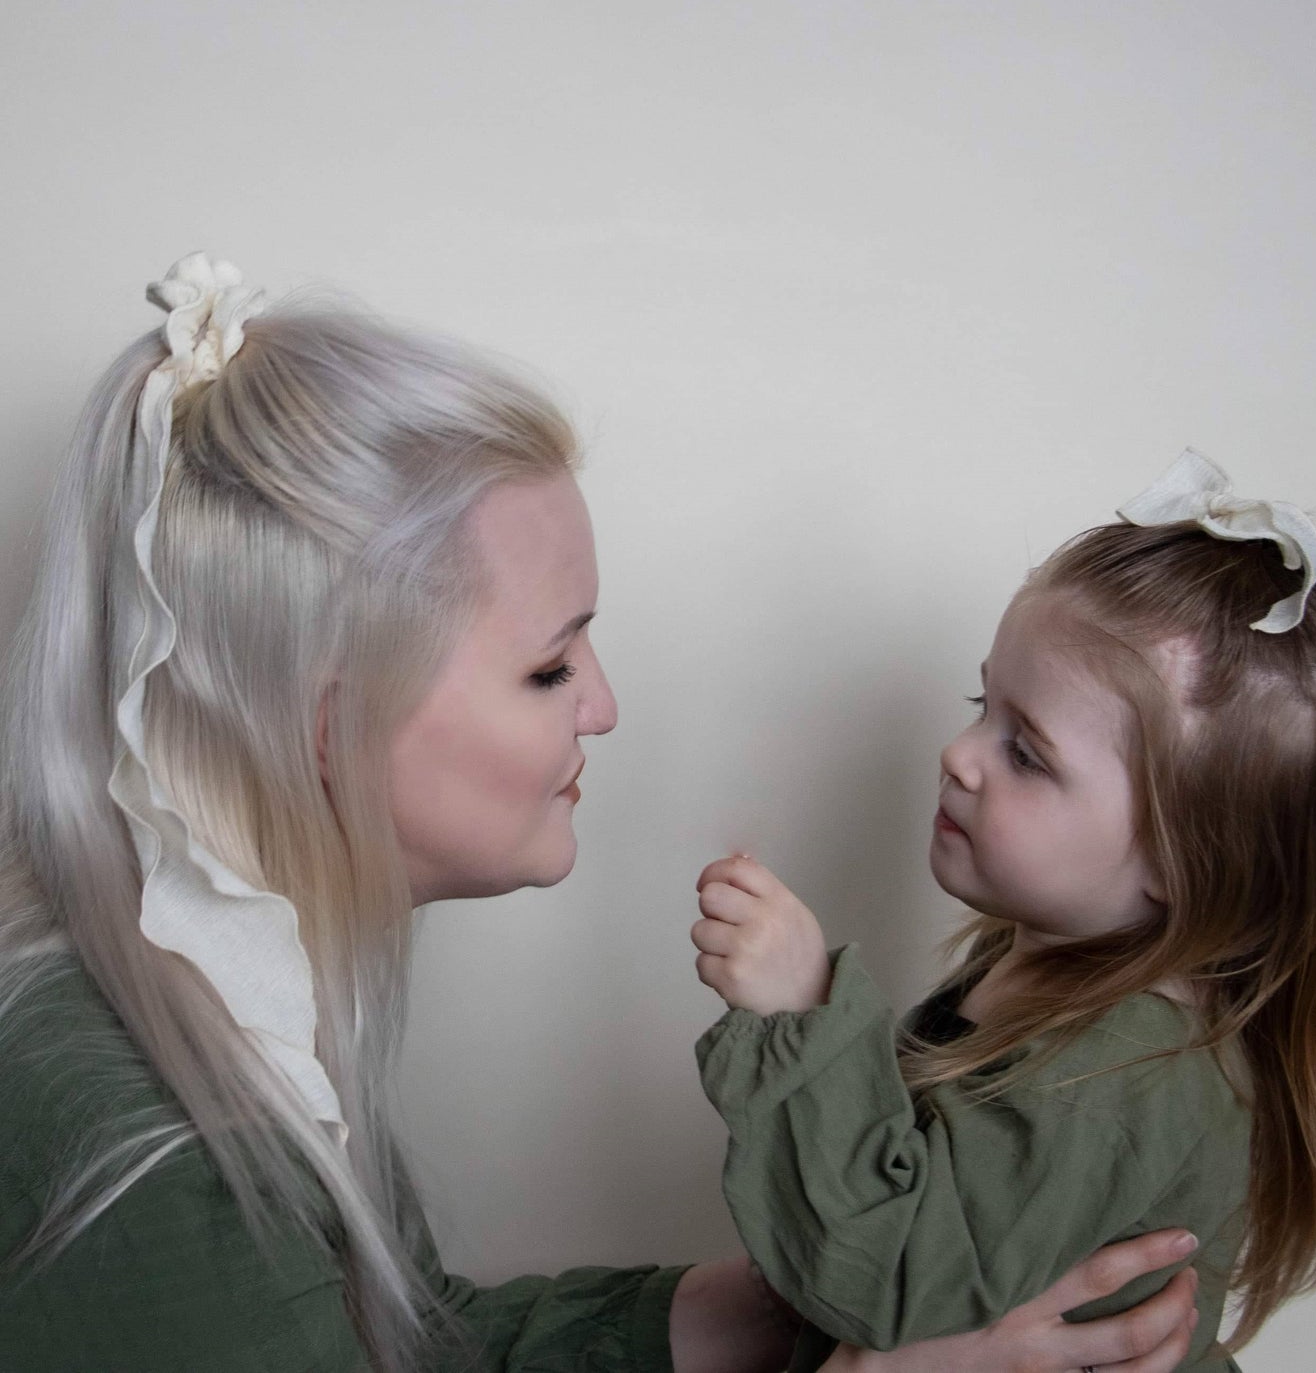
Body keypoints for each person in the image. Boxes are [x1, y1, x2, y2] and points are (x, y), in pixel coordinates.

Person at [0, 254, 1199, 1372]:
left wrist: (796, 1302)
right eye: (547, 667)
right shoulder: (132, 1146)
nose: (605, 706)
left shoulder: (226, 981)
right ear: (329, 726)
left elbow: (408, 1347)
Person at [692, 450, 1316, 1370]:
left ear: (1187, 864)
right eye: (979, 704)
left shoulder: (1122, 1072)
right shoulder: (1050, 968)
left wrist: (802, 1018)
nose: (957, 753)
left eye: (1026, 752)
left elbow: (893, 1280)